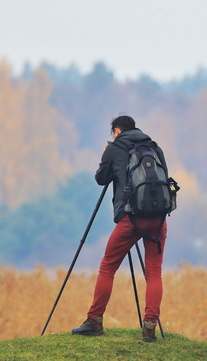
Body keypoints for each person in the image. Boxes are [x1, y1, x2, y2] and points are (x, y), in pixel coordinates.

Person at [72, 115, 169, 343]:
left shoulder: (115, 148)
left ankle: (94, 321)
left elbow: (101, 178)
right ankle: (149, 329)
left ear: (116, 131)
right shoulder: (154, 147)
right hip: (158, 218)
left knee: (107, 267)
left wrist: (107, 153)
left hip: (131, 218)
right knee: (154, 272)